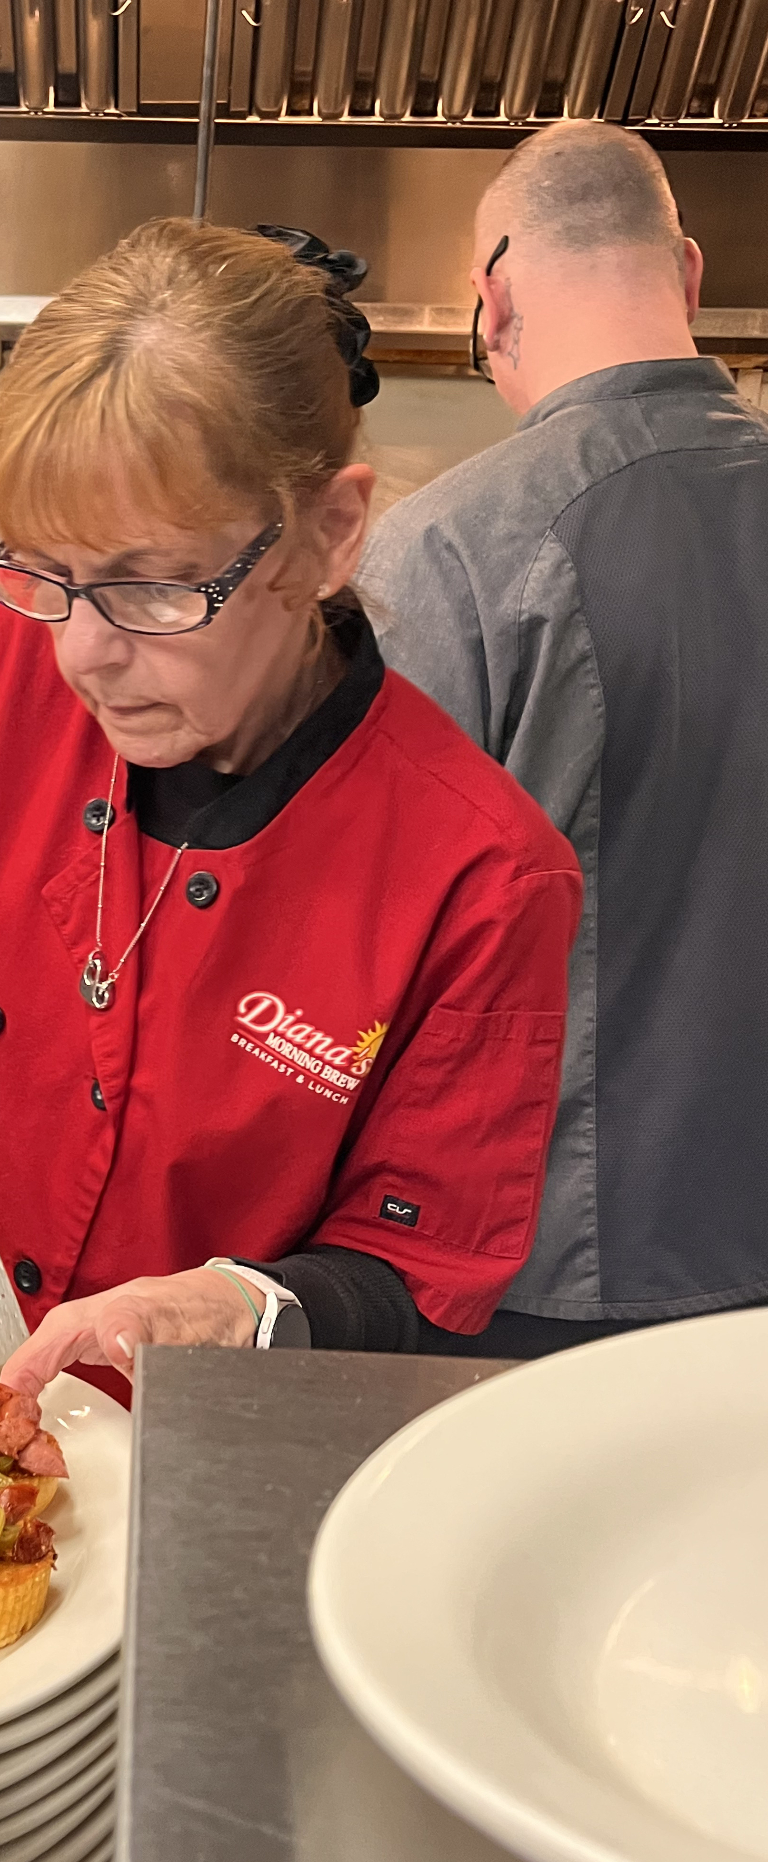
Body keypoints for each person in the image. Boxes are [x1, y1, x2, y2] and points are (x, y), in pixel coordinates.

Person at [0, 218, 580, 1401]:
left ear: (326, 534)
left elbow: (415, 1261)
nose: (82, 654)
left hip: (193, 1456)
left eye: (152, 585)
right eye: (43, 572)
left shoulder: (478, 873)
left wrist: (249, 1301)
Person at [359, 123, 768, 1358]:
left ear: (491, 303)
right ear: (687, 274)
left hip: (546, 1279)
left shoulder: (451, 549)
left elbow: (367, 938)